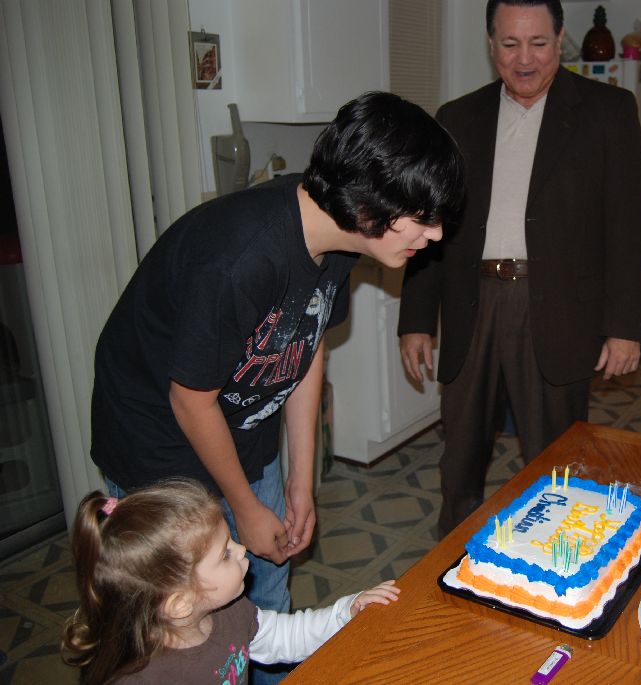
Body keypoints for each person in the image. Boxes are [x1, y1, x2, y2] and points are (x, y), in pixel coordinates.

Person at [90, 92, 462, 683]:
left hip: (241, 426)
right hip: (159, 443)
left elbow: (305, 343)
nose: (436, 234)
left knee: (263, 598)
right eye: (423, 218)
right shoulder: (240, 258)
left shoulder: (336, 238)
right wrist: (243, 505)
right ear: (367, 205)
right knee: (178, 630)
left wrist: (300, 481)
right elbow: (191, 399)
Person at [398, 0, 641, 535]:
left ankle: (557, 557)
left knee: (557, 458)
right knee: (459, 458)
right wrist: (417, 319)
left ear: (560, 41)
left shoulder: (608, 111)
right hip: (472, 305)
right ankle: (454, 560)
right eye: (510, 44)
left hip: (557, 310)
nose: (525, 59)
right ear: (490, 44)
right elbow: (428, 222)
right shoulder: (457, 117)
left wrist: (626, 327)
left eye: (538, 43)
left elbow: (631, 229)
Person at [61, 480, 400, 684]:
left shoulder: (231, 613)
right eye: (225, 553)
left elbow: (286, 637)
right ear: (181, 602)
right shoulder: (147, 678)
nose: (242, 550)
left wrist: (346, 612)